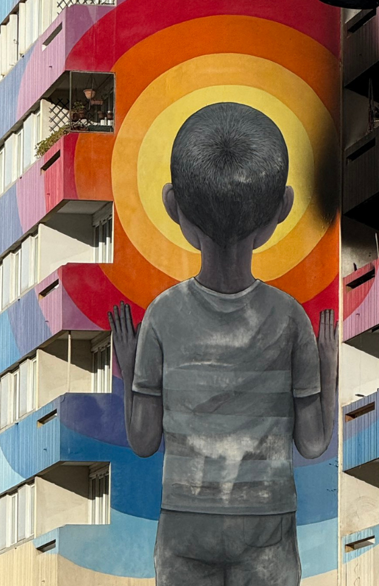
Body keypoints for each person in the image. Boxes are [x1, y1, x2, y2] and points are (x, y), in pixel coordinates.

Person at [108, 103, 336, 586]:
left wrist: (130, 375)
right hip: (266, 524)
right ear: (281, 209)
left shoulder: (162, 317)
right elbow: (314, 443)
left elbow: (144, 441)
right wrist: (329, 373)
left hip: (186, 523)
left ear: (174, 207)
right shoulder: (292, 320)